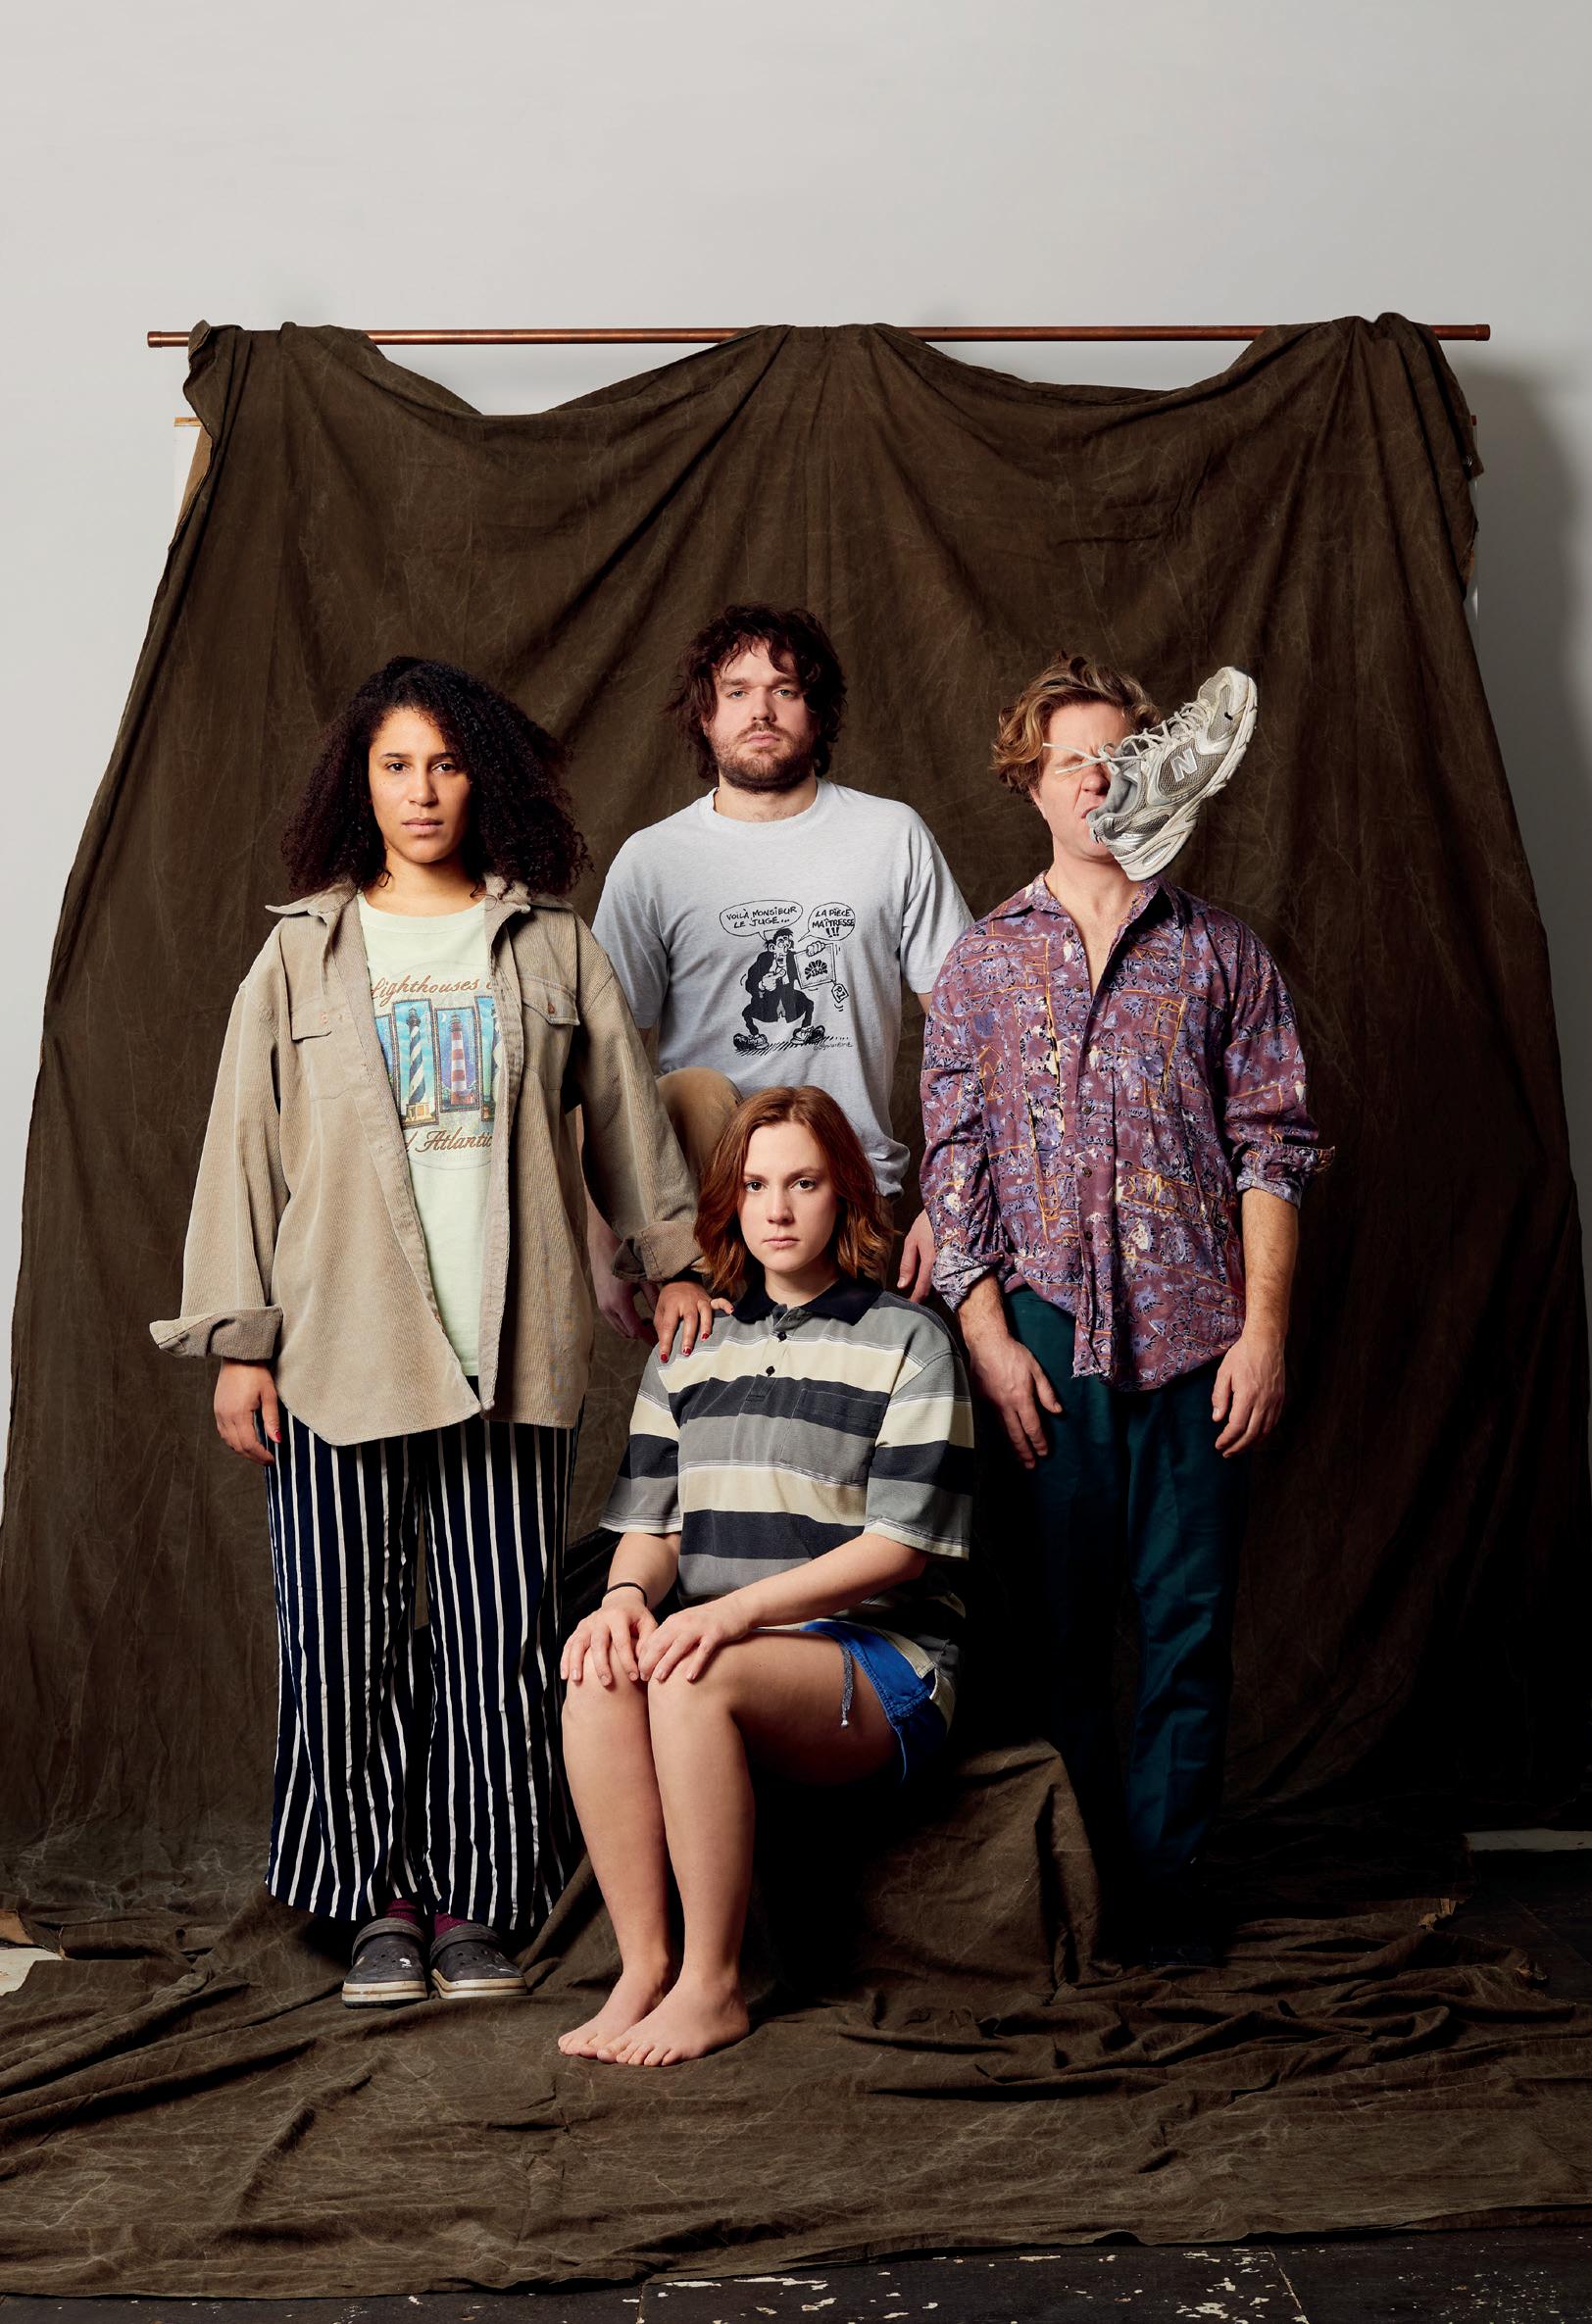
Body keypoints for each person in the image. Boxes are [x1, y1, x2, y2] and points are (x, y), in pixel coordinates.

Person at [152, 657, 718, 2008]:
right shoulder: (301, 952)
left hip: (509, 1355)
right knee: (341, 1639)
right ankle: (374, 1903)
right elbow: (243, 1152)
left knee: (495, 1640)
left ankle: (476, 1898)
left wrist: (675, 1264)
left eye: (447, 765)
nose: (422, 791)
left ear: (485, 780)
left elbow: (628, 1117)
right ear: (360, 783)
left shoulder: (550, 944)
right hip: (335, 1351)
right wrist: (240, 1338)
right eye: (397, 765)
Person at [920, 652, 1330, 1967]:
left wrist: (1263, 1332)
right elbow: (953, 1167)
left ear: (1155, 769)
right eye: (1070, 762)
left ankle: (1165, 1889)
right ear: (1030, 783)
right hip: (1044, 1341)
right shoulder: (980, 964)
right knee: (1053, 1638)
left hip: (1200, 1338)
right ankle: (1076, 1886)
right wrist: (988, 1340)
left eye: (1118, 757)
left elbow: (1274, 1146)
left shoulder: (1222, 952)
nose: (1096, 781)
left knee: (1187, 1629)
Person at [558, 1086, 973, 2066]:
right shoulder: (690, 1346)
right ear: (729, 1201)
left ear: (846, 1195)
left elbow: (899, 1548)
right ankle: (645, 1967)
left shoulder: (908, 1340)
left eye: (803, 1183)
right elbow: (654, 1525)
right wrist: (622, 1600)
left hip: (883, 1661)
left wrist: (728, 1615)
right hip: (731, 1645)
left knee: (691, 1673)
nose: (776, 1208)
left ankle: (713, 1987)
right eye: (753, 1185)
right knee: (596, 1669)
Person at [587, 604, 972, 1332]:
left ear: (816, 712)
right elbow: (601, 1070)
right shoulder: (653, 861)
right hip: (708, 1219)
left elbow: (974, 1035)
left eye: (784, 690)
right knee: (691, 1089)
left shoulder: (890, 836)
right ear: (704, 714)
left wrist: (949, 1203)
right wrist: (604, 1235)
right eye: (736, 691)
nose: (760, 711)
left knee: (848, 1399)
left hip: (851, 1200)